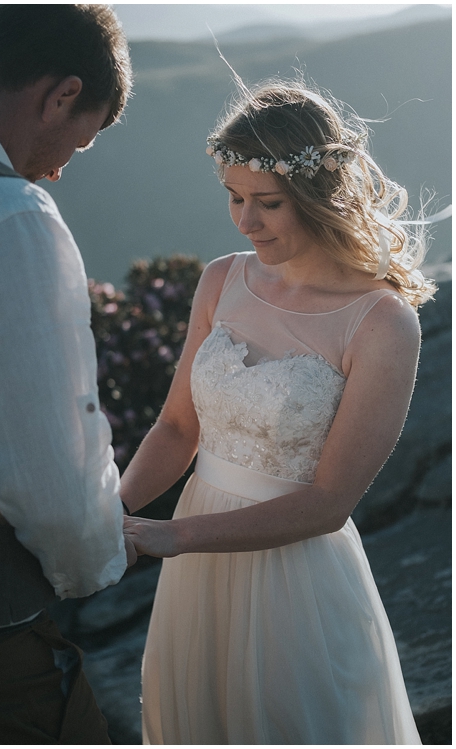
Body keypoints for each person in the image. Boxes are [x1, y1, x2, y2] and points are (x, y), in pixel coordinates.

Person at [121, 80, 434, 743]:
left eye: (268, 203)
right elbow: (177, 427)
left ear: (320, 197)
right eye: (234, 198)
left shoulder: (382, 322)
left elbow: (328, 502)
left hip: (296, 583)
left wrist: (170, 537)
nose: (244, 221)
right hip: (194, 577)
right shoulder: (221, 280)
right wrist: (112, 517)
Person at [0, 5, 137, 743]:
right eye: (80, 140)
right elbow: (54, 484)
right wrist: (102, 556)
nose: (62, 166)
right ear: (61, 94)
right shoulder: (8, 212)